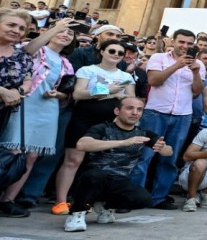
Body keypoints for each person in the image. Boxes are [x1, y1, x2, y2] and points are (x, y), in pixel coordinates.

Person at [0, 19, 75, 218]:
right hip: (24, 102)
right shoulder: (33, 50)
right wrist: (55, 28)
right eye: (62, 31)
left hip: (48, 108)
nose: (65, 35)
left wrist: (58, 95)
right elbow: (26, 54)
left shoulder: (67, 63)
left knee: (32, 155)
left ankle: (9, 200)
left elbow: (66, 92)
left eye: (70, 33)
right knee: (13, 150)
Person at [63, 97, 172, 232]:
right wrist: (123, 142)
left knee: (143, 198)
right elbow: (81, 144)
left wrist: (163, 148)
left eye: (139, 109)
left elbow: (168, 151)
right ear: (117, 111)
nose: (135, 113)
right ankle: (76, 214)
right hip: (93, 179)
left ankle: (105, 207)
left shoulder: (143, 134)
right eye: (129, 108)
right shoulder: (102, 128)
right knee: (94, 176)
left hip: (119, 181)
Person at [53, 40, 135, 216]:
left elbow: (130, 101)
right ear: (102, 51)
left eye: (120, 53)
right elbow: (78, 94)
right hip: (83, 118)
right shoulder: (87, 70)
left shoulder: (126, 76)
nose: (116, 55)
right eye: (112, 50)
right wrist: (110, 91)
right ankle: (60, 201)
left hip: (109, 124)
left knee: (100, 165)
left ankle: (88, 201)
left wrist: (102, 95)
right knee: (73, 160)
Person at [130, 29, 205, 210]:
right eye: (181, 42)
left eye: (189, 43)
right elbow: (154, 81)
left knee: (169, 159)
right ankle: (133, 198)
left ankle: (159, 197)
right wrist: (176, 66)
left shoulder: (199, 64)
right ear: (173, 41)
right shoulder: (158, 58)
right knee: (144, 156)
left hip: (182, 115)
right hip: (156, 113)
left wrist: (195, 73)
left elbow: (197, 92)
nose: (185, 46)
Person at [0, 8, 34, 134]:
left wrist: (17, 91)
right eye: (11, 25)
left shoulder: (22, 56)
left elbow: (28, 82)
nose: (16, 31)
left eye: (21, 28)